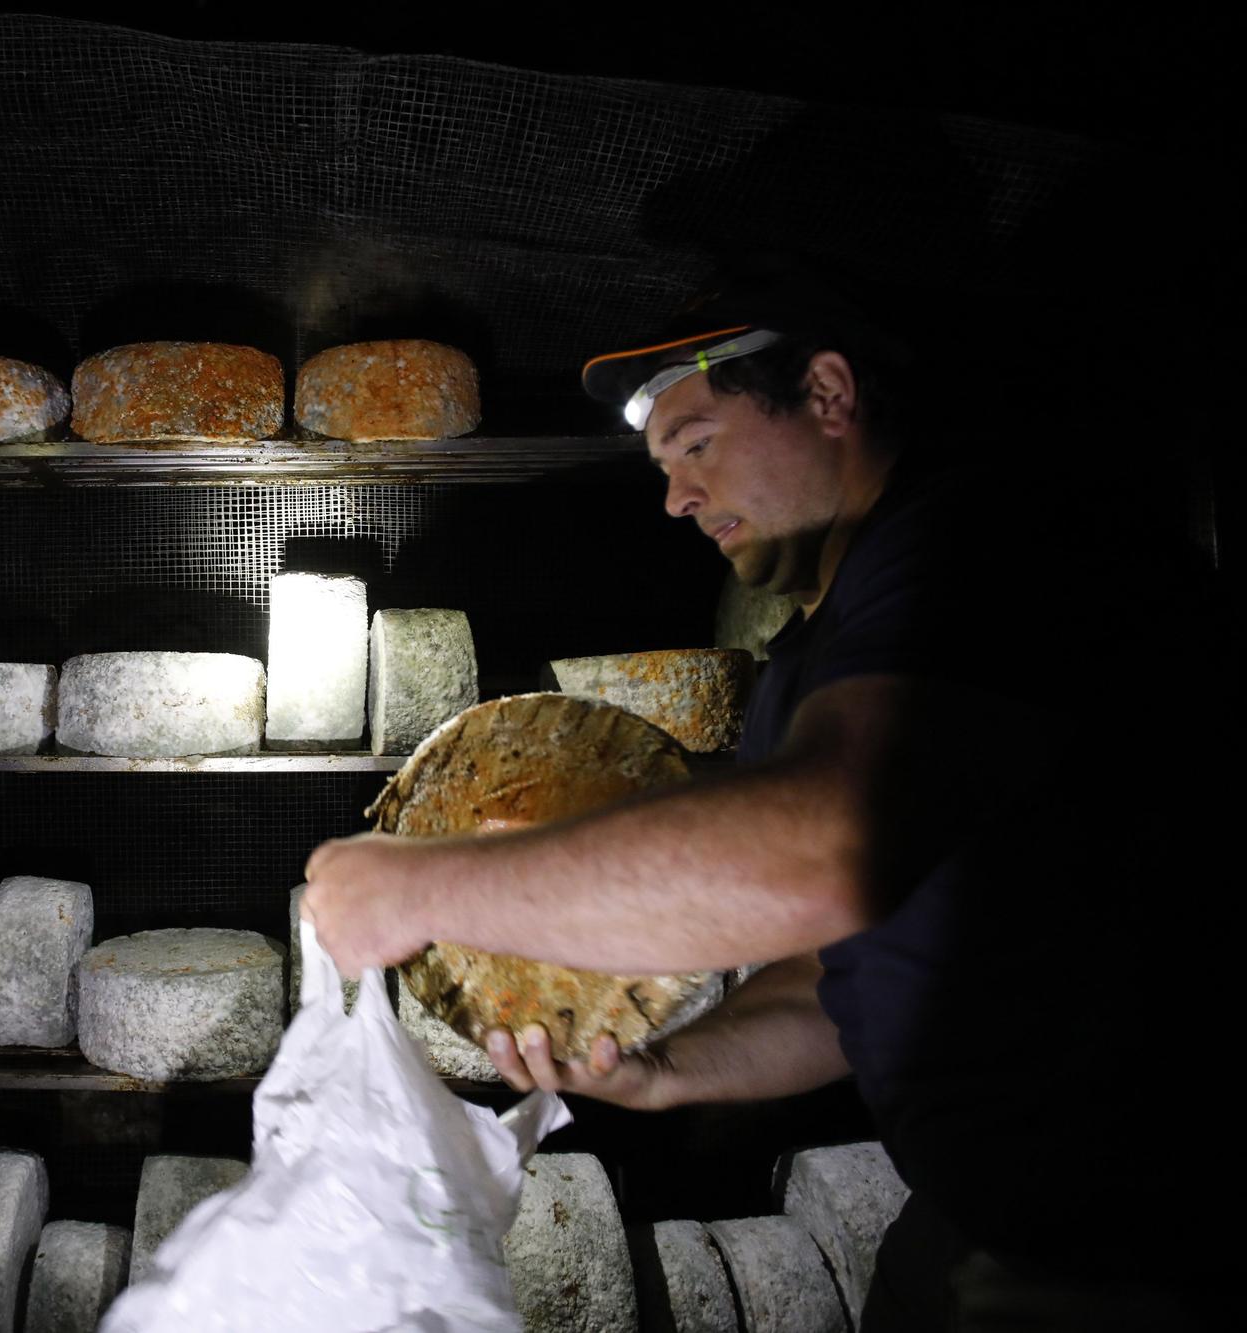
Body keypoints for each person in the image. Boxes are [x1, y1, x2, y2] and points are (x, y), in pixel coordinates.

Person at [302, 257, 1222, 1327]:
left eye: (695, 444)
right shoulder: (816, 647)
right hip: (978, 1215)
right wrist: (666, 1068)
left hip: (1153, 1238)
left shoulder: (988, 542)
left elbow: (827, 853)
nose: (673, 495)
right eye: (661, 463)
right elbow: (831, 980)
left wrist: (425, 887)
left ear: (827, 394)